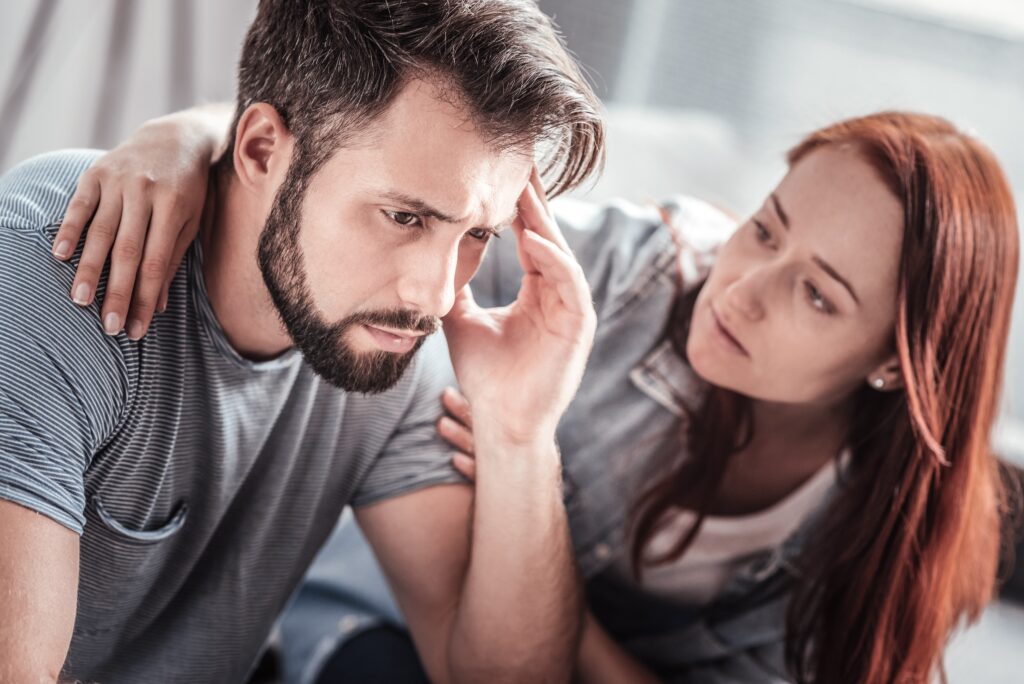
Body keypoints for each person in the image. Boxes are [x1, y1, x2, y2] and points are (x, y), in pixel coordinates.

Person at [82, 109, 1020, 683]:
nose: (744, 289)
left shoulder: (886, 535)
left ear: (894, 364)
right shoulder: (623, 275)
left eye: (818, 295)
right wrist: (185, 135)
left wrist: (530, 519)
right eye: (766, 229)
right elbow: (373, 170)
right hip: (373, 628)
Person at [0, 1, 605, 682]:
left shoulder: (387, 342)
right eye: (404, 217)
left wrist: (522, 436)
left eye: (476, 235)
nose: (435, 296)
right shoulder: (58, 266)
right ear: (261, 150)